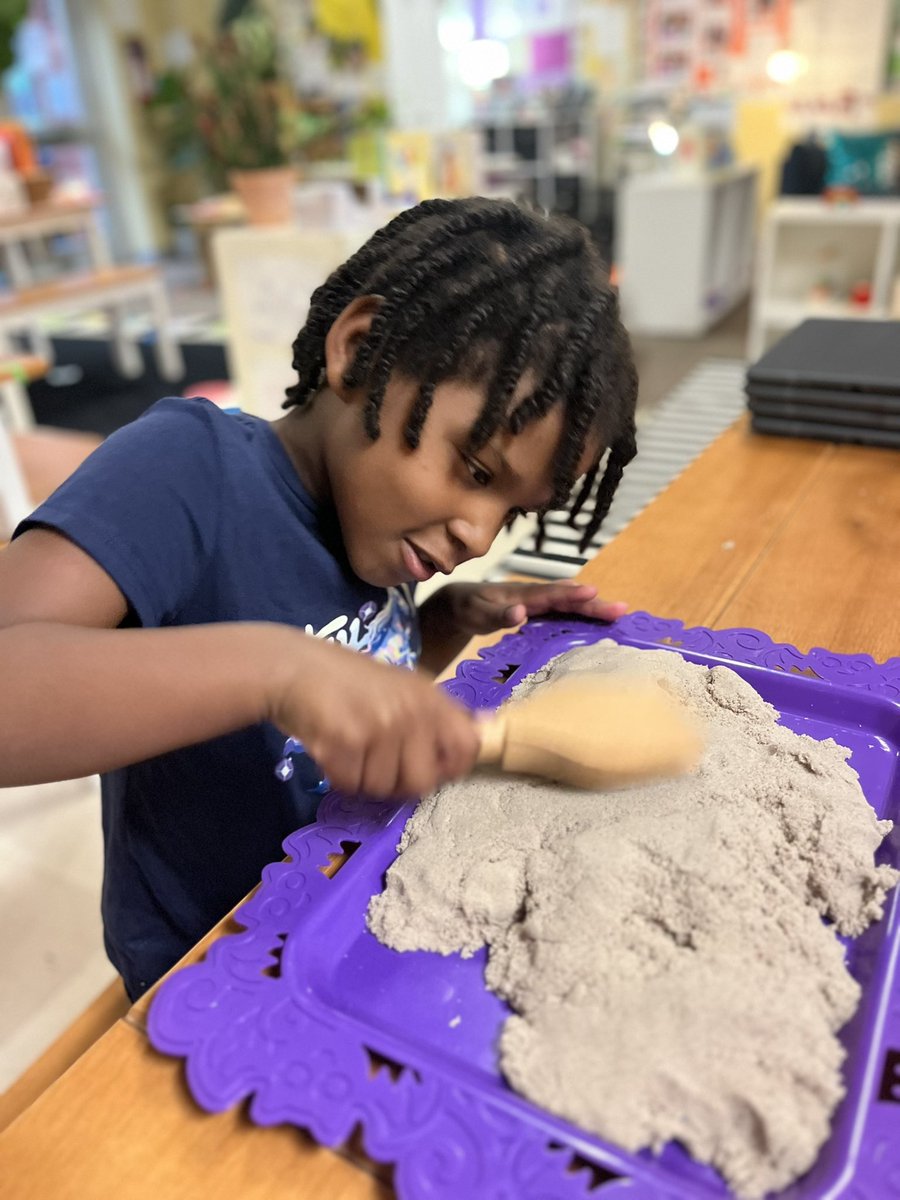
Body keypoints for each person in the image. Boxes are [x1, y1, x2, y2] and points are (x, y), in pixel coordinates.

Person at [0, 197, 638, 998]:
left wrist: (443, 622)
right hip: (206, 953)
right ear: (361, 351)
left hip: (332, 914)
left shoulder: (384, 528)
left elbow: (349, 673)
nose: (480, 533)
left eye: (512, 513)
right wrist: (277, 668)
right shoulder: (188, 469)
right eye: (476, 471)